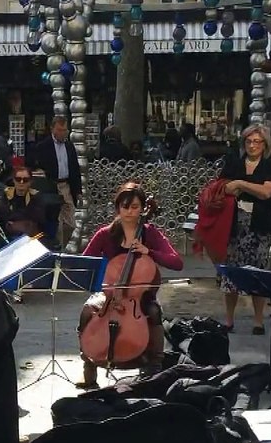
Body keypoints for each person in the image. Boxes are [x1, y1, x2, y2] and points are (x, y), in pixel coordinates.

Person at [77, 181, 184, 388]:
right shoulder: (105, 233)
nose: (129, 211)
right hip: (109, 294)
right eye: (125, 206)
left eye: (134, 207)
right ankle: (89, 369)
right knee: (86, 311)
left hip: (140, 297)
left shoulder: (150, 233)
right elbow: (84, 261)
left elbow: (176, 262)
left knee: (153, 312)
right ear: (118, 207)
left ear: (142, 208)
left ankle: (153, 368)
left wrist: (149, 252)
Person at [218, 124, 271, 334]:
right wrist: (241, 185)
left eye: (257, 141)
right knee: (231, 274)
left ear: (265, 145)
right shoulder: (234, 163)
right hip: (235, 225)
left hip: (259, 226)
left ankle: (258, 320)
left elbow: (266, 193)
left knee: (258, 273)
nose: (252, 145)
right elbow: (223, 188)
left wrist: (241, 185)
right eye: (249, 141)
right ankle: (228, 319)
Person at [32, 116, 83, 249]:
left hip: (66, 185)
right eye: (60, 130)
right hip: (51, 186)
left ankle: (62, 245)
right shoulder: (43, 146)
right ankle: (58, 250)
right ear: (52, 129)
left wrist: (78, 191)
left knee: (71, 223)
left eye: (65, 130)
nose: (62, 133)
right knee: (57, 223)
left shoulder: (69, 146)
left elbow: (75, 169)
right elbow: (35, 166)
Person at [0, 165, 48, 237]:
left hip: (30, 235)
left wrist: (15, 222)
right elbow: (2, 215)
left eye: (25, 180)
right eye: (18, 179)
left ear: (30, 181)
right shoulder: (6, 194)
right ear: (13, 180)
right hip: (8, 233)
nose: (21, 182)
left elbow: (38, 218)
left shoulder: (36, 196)